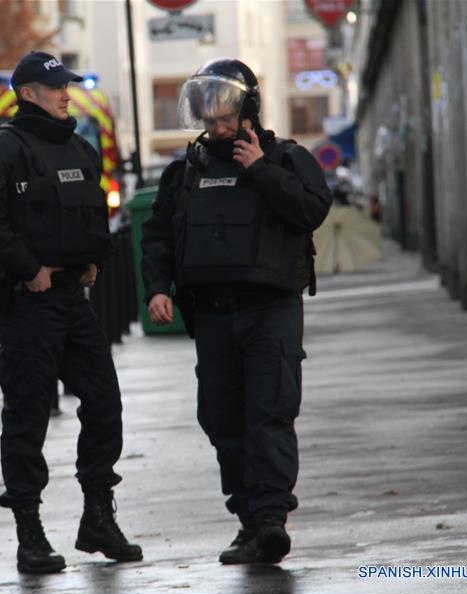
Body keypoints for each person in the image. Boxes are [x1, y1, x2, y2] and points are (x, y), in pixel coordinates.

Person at [141, 58, 331, 565]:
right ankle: (249, 523)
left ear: (248, 111)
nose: (218, 128)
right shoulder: (185, 172)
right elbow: (159, 237)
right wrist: (158, 288)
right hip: (213, 316)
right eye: (210, 119)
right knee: (222, 419)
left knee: (269, 414)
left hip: (271, 309)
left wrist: (259, 168)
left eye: (227, 118)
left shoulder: (285, 159)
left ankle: (270, 521)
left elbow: (311, 210)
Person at [0, 51, 142, 574]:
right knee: (28, 416)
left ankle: (98, 518)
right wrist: (25, 267)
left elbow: (95, 213)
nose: (66, 93)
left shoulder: (80, 147)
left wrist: (93, 261)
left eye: (66, 84)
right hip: (29, 301)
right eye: (55, 86)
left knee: (104, 402)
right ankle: (29, 532)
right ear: (28, 94)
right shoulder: (1, 149)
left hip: (71, 298)